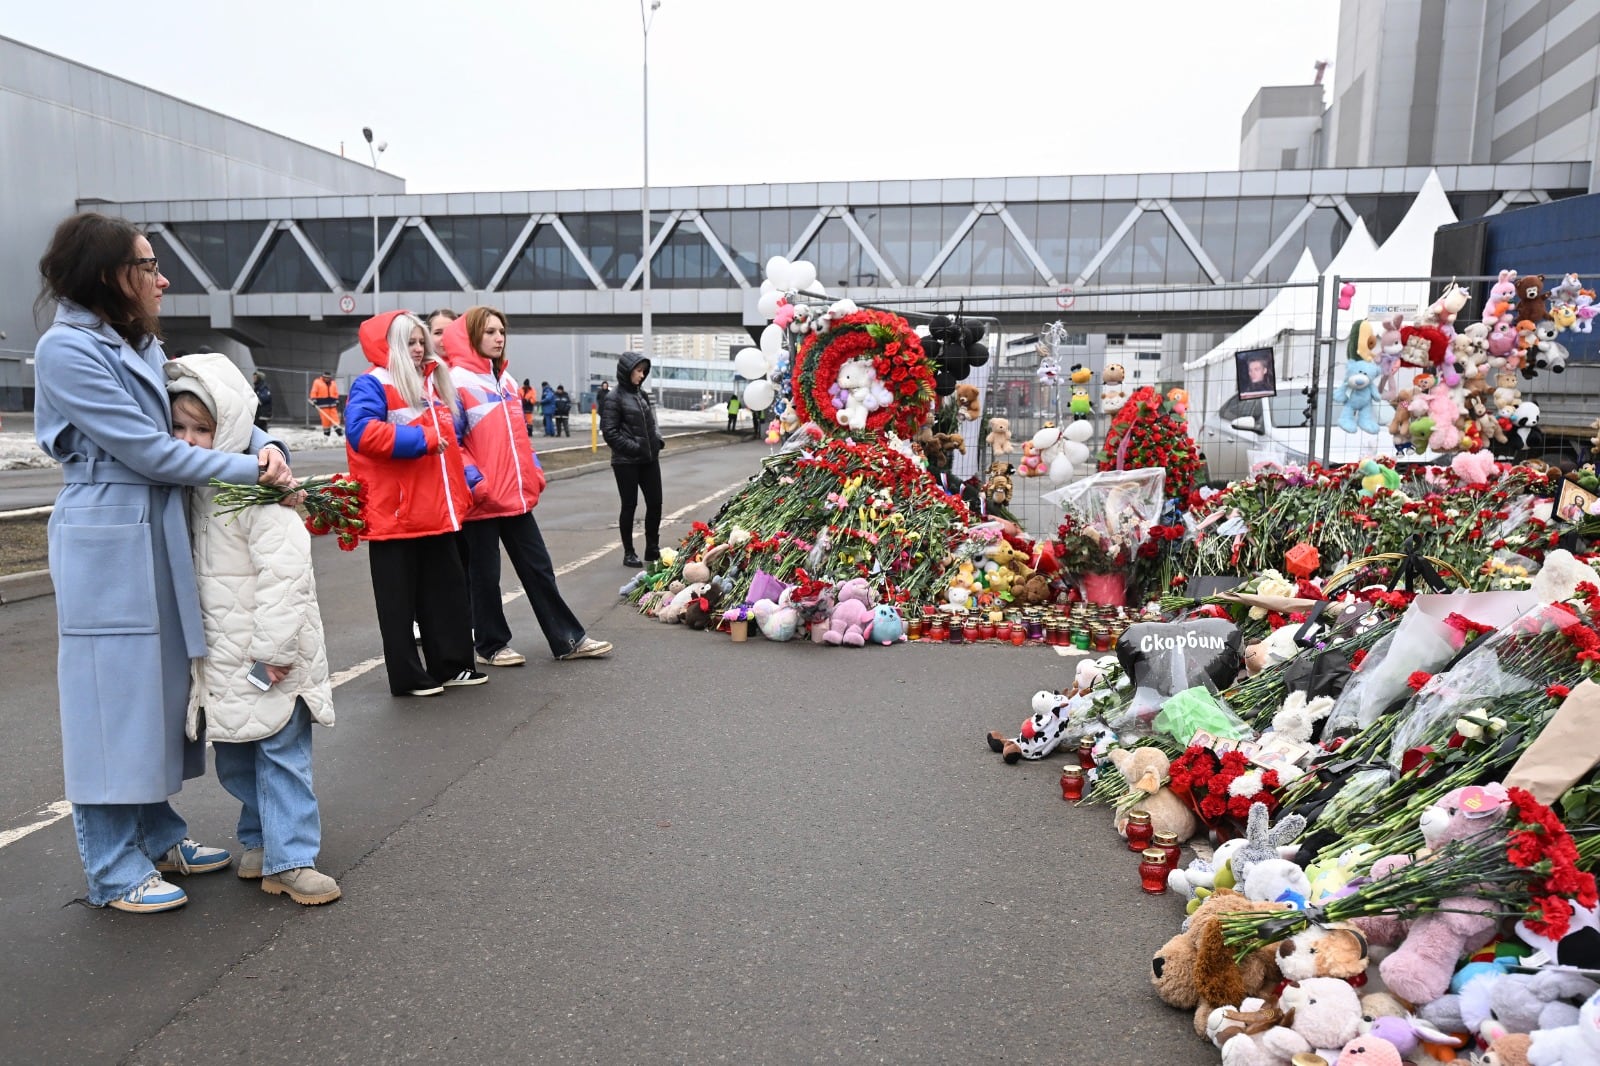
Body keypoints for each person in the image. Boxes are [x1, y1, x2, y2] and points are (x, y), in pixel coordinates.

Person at [32, 211, 294, 913]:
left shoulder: (135, 343)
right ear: (109, 275)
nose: (162, 278)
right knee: (110, 701)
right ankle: (113, 866)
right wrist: (249, 470)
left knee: (158, 693)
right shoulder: (68, 350)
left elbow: (203, 408)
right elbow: (149, 452)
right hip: (109, 531)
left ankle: (157, 834)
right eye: (148, 265)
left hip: (154, 527)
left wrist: (265, 443)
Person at [165, 354, 340, 906]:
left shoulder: (258, 491)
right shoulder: (194, 490)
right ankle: (260, 842)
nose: (189, 440)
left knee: (282, 752)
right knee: (239, 753)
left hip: (270, 652)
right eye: (179, 428)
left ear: (233, 429)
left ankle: (292, 859)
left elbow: (287, 577)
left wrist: (273, 654)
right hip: (222, 655)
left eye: (203, 428)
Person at [443, 307, 613, 666]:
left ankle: (568, 639)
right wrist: (476, 480)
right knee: (485, 578)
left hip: (516, 496)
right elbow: (452, 443)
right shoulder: (456, 382)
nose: (498, 338)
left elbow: (520, 438)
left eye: (501, 331)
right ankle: (490, 645)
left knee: (539, 568)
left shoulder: (506, 381)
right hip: (483, 498)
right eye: (489, 331)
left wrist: (533, 469)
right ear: (473, 335)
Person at [345, 309, 487, 697]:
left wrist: (467, 480)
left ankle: (453, 666)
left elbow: (449, 447)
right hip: (396, 514)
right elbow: (361, 432)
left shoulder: (429, 383)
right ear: (391, 345)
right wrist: (420, 440)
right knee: (398, 606)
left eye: (421, 340)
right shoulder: (372, 383)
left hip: (435, 512)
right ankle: (408, 677)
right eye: (410, 341)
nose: (420, 348)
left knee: (447, 592)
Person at [600, 352, 664, 568]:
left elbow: (651, 423)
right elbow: (609, 432)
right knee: (629, 505)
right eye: (638, 370)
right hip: (626, 462)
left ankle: (652, 548)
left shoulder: (641, 395)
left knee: (655, 503)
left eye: (644, 371)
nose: (642, 374)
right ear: (626, 372)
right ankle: (629, 552)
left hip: (649, 459)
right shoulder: (614, 398)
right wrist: (634, 448)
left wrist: (657, 441)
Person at [309, 371, 343, 437]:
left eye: (328, 377)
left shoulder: (333, 383)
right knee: (326, 421)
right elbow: (314, 391)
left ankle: (339, 433)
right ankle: (327, 435)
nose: (327, 379)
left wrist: (337, 400)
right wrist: (314, 399)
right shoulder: (317, 382)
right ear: (323, 377)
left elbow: (336, 392)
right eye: (326, 377)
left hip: (332, 404)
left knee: (335, 419)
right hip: (323, 405)